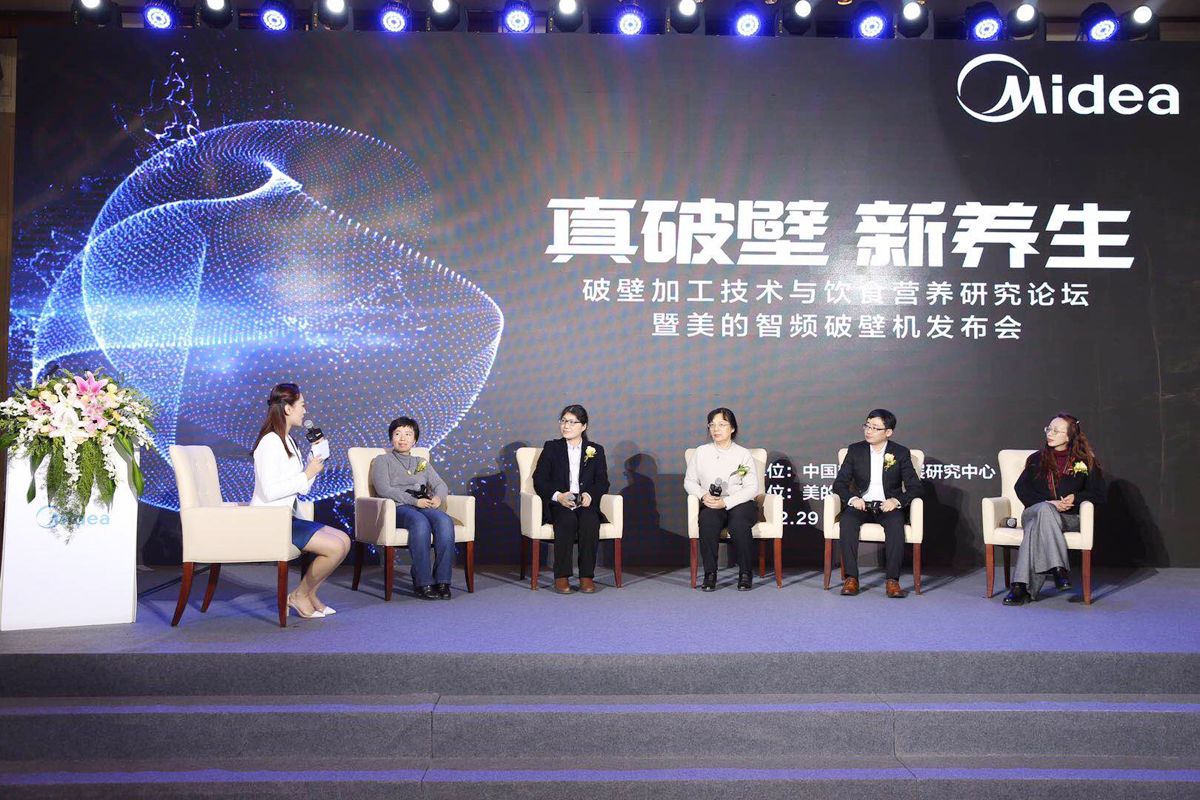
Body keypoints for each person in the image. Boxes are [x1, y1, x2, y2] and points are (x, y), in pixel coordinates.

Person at [251, 383, 351, 619]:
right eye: (302, 405)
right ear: (288, 408)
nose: (305, 411)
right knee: (335, 548)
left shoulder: (289, 441)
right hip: (271, 521)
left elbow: (302, 488)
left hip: (288, 517)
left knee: (344, 540)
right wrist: (307, 473)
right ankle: (299, 595)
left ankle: (309, 594)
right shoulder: (270, 442)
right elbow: (270, 491)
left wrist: (313, 462)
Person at [1005, 413, 1106, 605]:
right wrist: (1048, 502)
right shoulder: (1036, 459)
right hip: (1034, 512)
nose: (1050, 433)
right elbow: (1021, 489)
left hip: (1068, 518)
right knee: (1044, 510)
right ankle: (1058, 568)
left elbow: (1098, 494)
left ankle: (1020, 587)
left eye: (1056, 431)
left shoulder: (1084, 461)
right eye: (1048, 429)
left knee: (1035, 527)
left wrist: (1076, 498)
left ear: (1069, 436)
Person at [832, 409, 922, 599]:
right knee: (847, 522)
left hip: (887, 506)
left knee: (896, 524)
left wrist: (896, 501)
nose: (869, 431)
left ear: (888, 432)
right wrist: (853, 499)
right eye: (867, 425)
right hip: (861, 505)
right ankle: (851, 578)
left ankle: (892, 580)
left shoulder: (900, 453)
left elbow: (915, 487)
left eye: (875, 428)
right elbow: (839, 484)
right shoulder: (855, 450)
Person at [369, 416, 457, 601]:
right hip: (398, 507)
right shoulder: (382, 460)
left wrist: (438, 498)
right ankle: (423, 582)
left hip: (423, 505)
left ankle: (442, 581)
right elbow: (384, 489)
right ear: (391, 438)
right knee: (419, 522)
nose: (402, 438)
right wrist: (414, 502)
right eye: (398, 434)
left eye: (408, 434)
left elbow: (440, 484)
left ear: (415, 440)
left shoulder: (420, 462)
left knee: (444, 521)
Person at [533, 404, 610, 594]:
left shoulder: (595, 450)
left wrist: (589, 495)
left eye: (572, 422)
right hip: (560, 502)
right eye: (563, 421)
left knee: (590, 520)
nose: (566, 426)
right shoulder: (552, 447)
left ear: (583, 426)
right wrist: (558, 496)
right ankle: (561, 576)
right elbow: (539, 479)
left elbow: (602, 482)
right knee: (566, 520)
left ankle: (586, 576)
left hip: (584, 502)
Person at [684, 407, 759, 592]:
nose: (716, 429)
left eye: (722, 424)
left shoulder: (742, 454)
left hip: (740, 503)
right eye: (712, 425)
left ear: (732, 428)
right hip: (712, 502)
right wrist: (703, 495)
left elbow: (751, 487)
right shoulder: (701, 452)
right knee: (707, 520)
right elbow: (689, 481)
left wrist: (726, 502)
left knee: (739, 523)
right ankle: (710, 574)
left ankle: (745, 573)